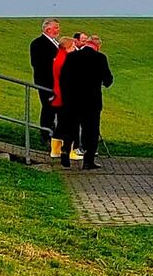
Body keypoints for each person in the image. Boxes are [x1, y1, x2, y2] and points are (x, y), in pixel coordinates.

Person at [58, 33, 112, 170]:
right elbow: (108, 80)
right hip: (92, 101)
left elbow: (63, 78)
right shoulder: (100, 58)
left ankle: (65, 150)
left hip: (72, 100)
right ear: (97, 46)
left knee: (71, 126)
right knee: (91, 130)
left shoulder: (71, 57)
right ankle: (88, 160)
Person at [29, 19, 62, 158]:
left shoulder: (56, 43)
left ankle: (54, 134)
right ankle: (45, 134)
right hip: (47, 83)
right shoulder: (38, 43)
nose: (58, 30)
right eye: (56, 28)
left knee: (55, 109)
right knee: (48, 108)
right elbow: (39, 65)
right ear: (48, 29)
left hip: (58, 83)